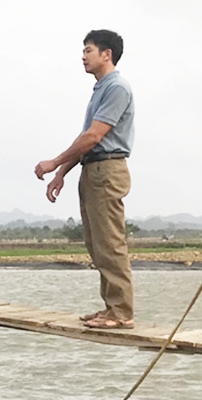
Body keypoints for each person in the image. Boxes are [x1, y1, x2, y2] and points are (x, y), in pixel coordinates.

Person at [34, 29, 135, 329]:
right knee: (96, 243)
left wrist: (54, 162)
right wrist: (62, 173)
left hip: (107, 170)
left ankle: (122, 312)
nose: (83, 56)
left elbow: (94, 136)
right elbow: (86, 140)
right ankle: (110, 307)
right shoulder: (101, 89)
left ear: (107, 54)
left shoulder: (117, 88)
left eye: (88, 50)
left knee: (110, 241)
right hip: (92, 168)